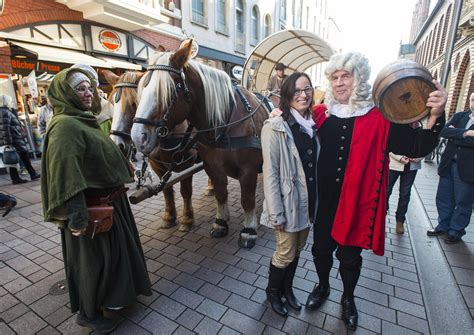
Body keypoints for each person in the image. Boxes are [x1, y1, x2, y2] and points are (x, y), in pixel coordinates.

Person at [305, 52, 447, 330]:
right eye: (334, 77)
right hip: (324, 202)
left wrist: (436, 115)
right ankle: (322, 287)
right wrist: (276, 113)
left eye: (346, 75)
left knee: (349, 257)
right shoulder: (320, 114)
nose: (339, 82)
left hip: (357, 202)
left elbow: (415, 147)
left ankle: (348, 298)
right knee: (320, 250)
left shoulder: (381, 116)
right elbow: (293, 130)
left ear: (359, 79)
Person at [41, 67, 152, 333]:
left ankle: (115, 299)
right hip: (91, 211)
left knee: (111, 259)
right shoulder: (65, 126)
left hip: (109, 204)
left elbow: (98, 154)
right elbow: (67, 177)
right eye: (80, 89)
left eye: (89, 87)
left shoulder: (82, 119)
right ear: (65, 93)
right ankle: (88, 314)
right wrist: (77, 217)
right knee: (92, 265)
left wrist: (124, 165)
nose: (88, 92)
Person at [261, 72, 319, 317]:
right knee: (284, 253)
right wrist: (276, 213)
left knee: (297, 251)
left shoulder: (313, 124)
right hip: (287, 204)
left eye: (307, 89)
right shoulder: (276, 126)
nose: (303, 95)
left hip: (309, 202)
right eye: (296, 91)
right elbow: (270, 173)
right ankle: (273, 292)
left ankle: (288, 289)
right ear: (287, 94)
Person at [427, 92, 474, 244]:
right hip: (449, 164)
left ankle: (456, 231)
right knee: (443, 198)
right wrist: (467, 133)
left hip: (468, 169)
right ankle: (443, 225)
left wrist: (456, 136)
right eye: (473, 100)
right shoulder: (460, 116)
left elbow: (451, 134)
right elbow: (444, 131)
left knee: (463, 202)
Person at [0, 95, 40, 184]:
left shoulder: (6, 111)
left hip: (16, 139)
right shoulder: (4, 112)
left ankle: (32, 174)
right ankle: (17, 178)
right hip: (13, 140)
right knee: (14, 159)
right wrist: (8, 143)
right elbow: (5, 129)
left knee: (23, 156)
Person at [387, 147, 423, 234]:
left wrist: (420, 157)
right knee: (386, 191)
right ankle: (380, 217)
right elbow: (389, 144)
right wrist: (399, 157)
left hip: (412, 164)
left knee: (405, 193)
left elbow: (427, 144)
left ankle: (400, 221)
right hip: (394, 162)